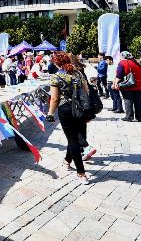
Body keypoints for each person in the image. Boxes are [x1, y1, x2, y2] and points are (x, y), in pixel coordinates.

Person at [46, 52, 92, 184]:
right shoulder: (78, 73)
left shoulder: (56, 77)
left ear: (56, 63)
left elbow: (54, 98)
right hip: (81, 108)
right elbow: (86, 91)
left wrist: (50, 113)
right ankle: (67, 160)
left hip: (65, 109)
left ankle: (81, 173)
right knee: (76, 137)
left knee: (73, 140)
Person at [113, 51, 141, 122]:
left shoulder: (122, 63)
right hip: (139, 85)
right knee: (138, 101)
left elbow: (119, 74)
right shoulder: (137, 63)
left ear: (123, 56)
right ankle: (139, 117)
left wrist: (116, 83)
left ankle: (129, 117)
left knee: (128, 100)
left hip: (128, 85)